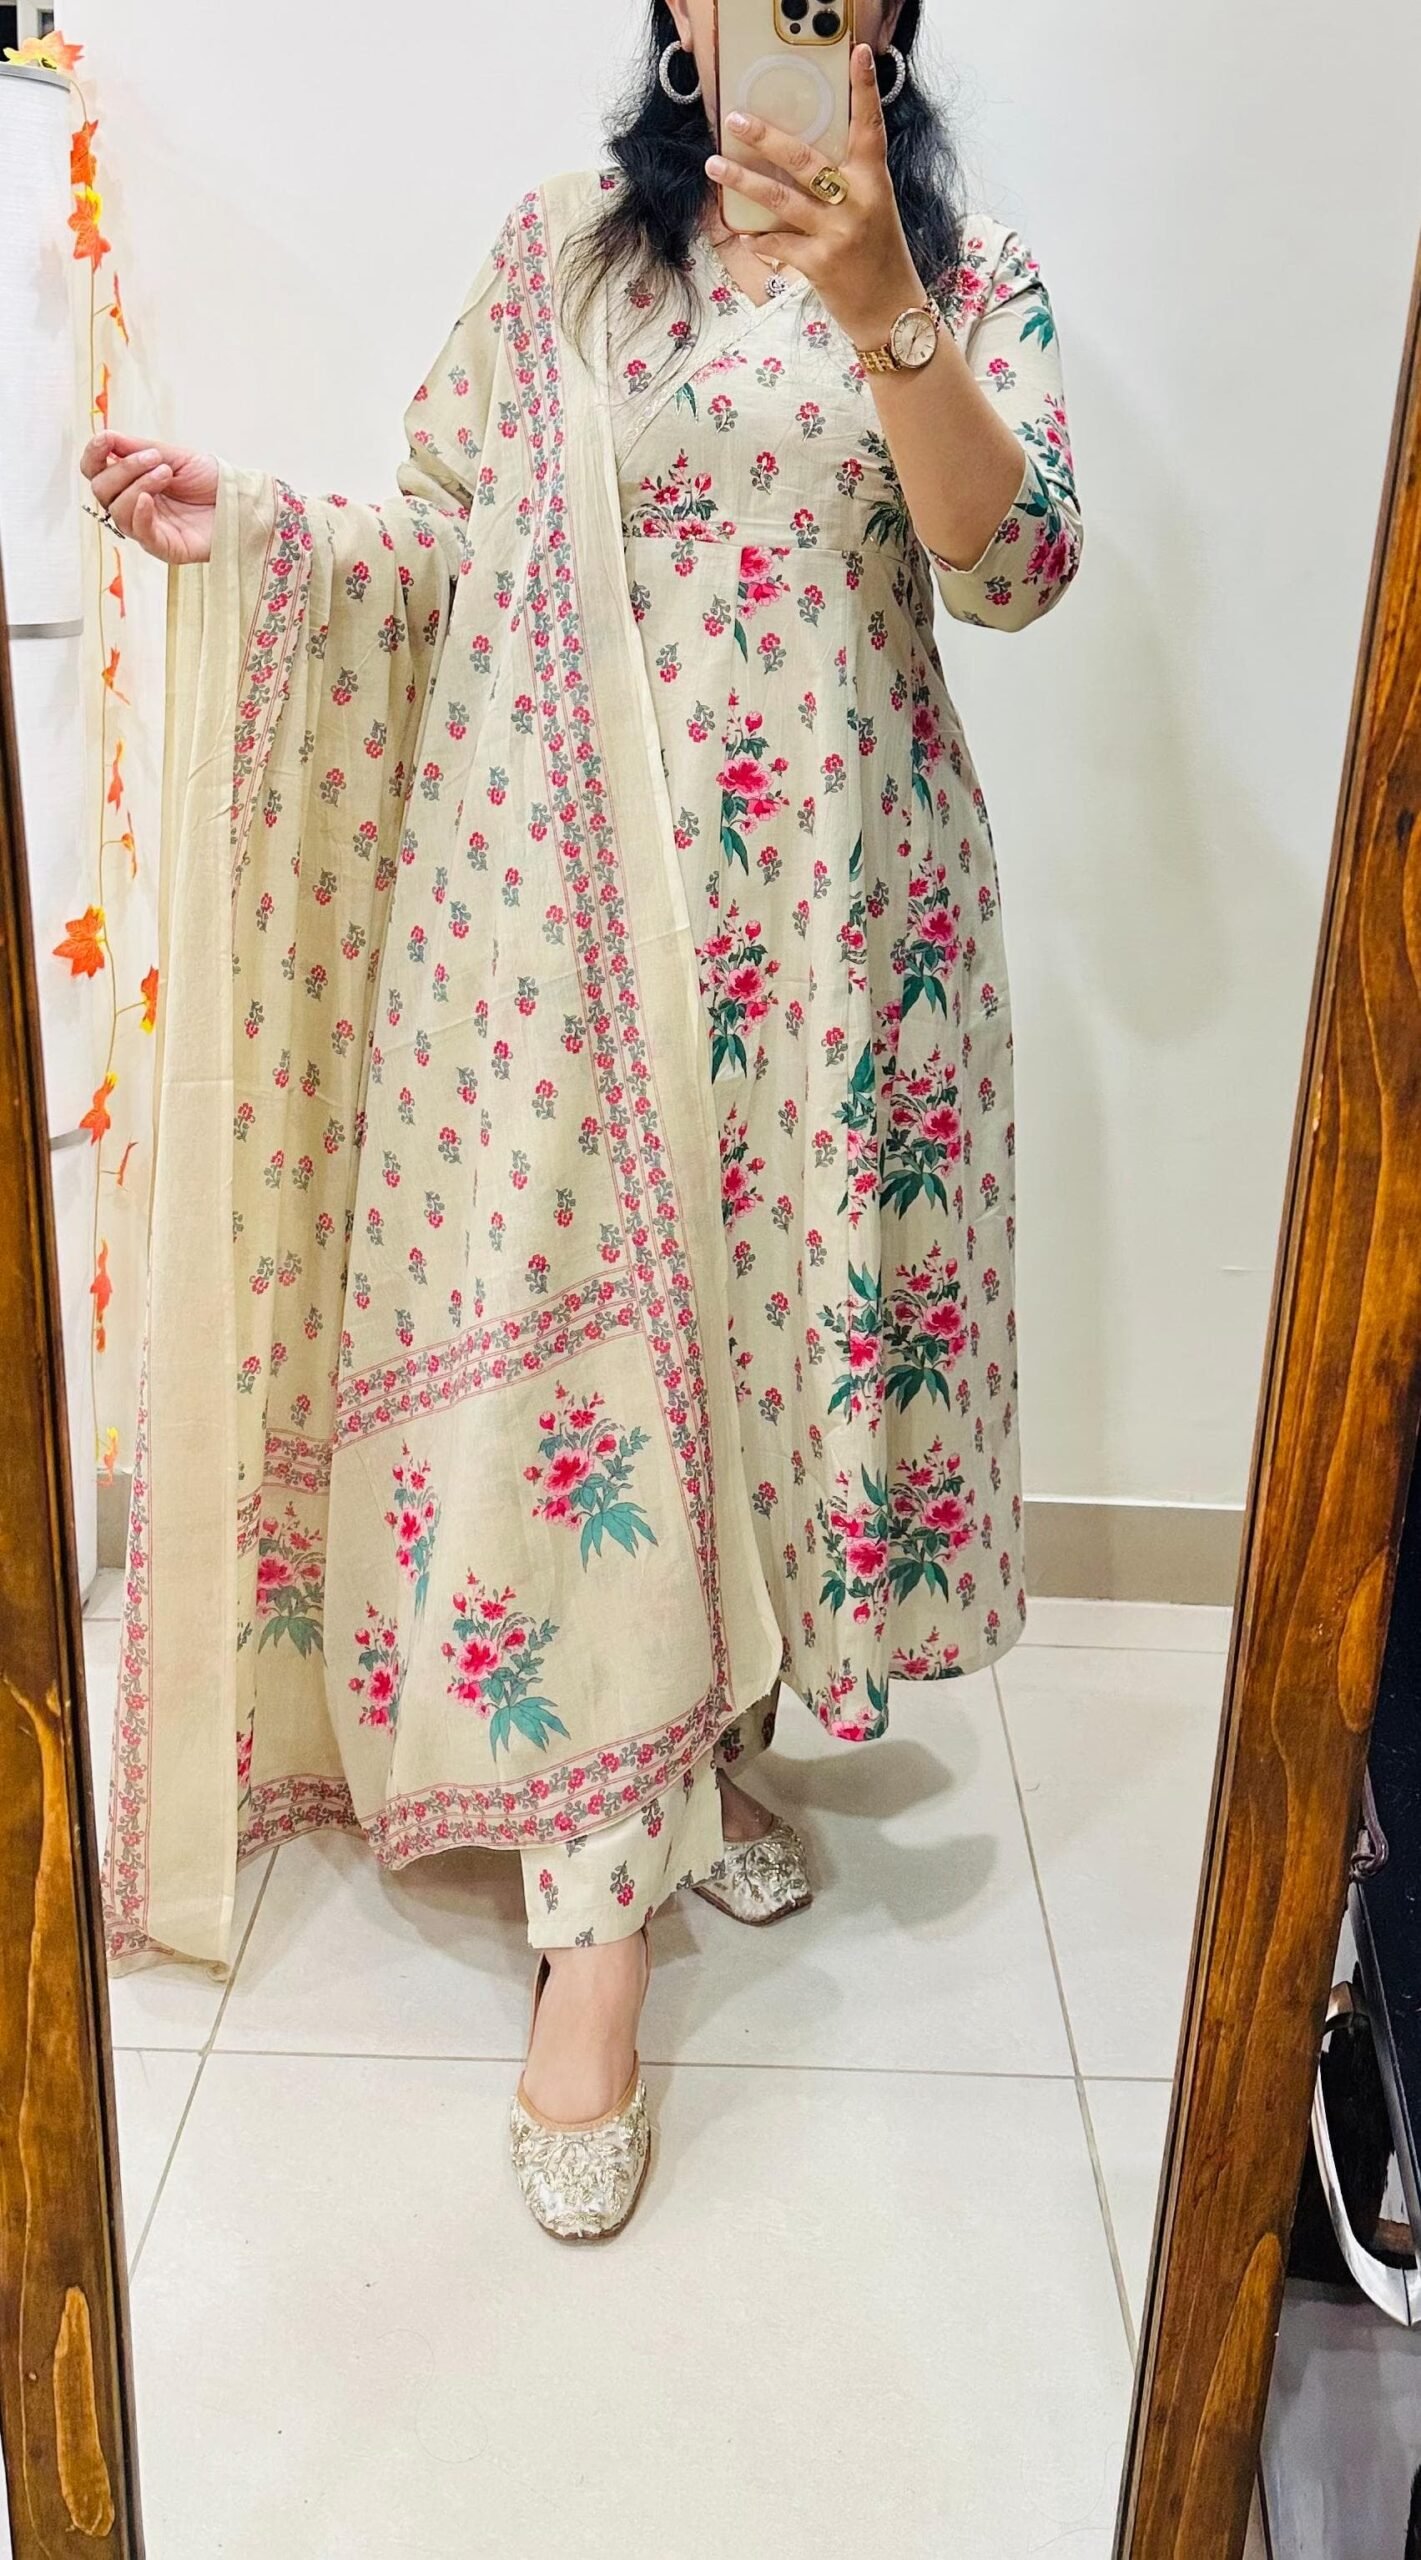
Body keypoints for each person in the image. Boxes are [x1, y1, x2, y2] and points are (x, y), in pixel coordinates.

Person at [84, 0, 1081, 2242]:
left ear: (886, 20)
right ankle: (594, 1918)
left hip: (840, 930)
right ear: (675, 16)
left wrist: (881, 306)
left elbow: (1014, 571)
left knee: (763, 1349)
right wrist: (259, 527)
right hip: (564, 928)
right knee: (588, 1382)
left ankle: (700, 1738)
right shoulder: (560, 260)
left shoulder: (963, 270)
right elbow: (450, 547)